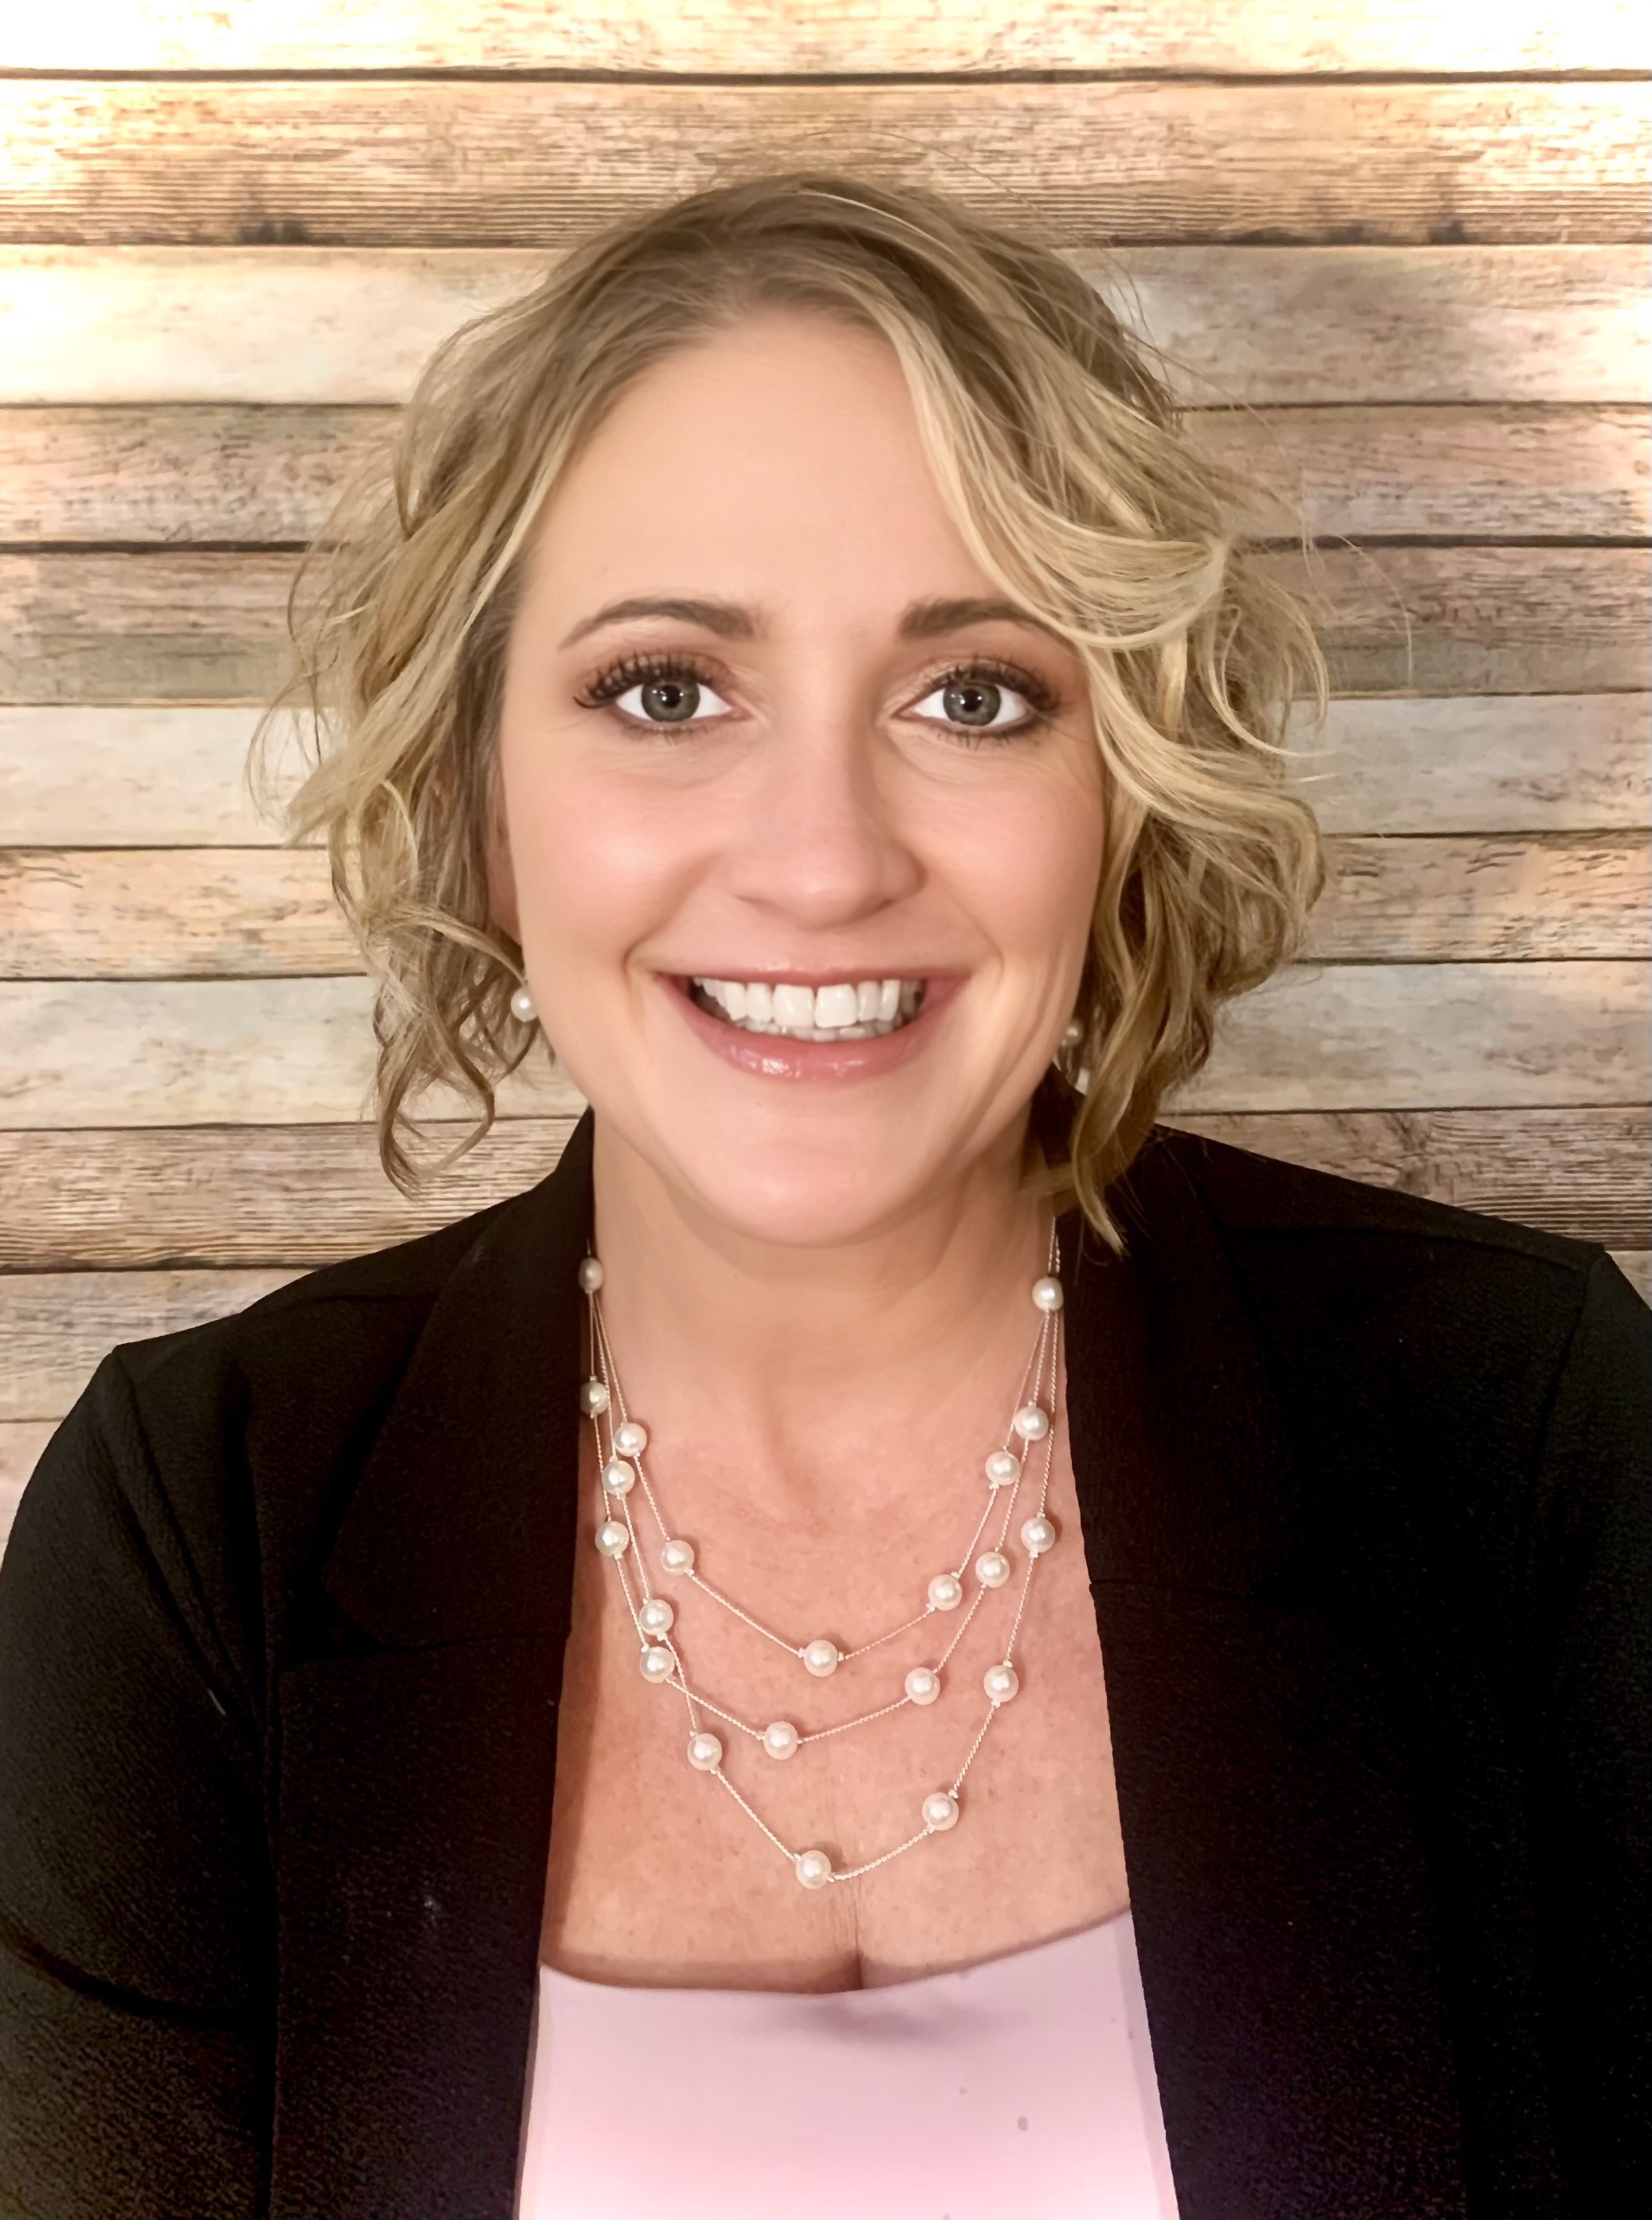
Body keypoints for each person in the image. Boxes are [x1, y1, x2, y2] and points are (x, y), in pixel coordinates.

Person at [0, 172, 1646, 2220]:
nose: (818, 859)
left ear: (1121, 789)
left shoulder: (1526, 1422)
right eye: (664, 688)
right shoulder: (198, 1515)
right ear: (478, 798)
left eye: (972, 695)